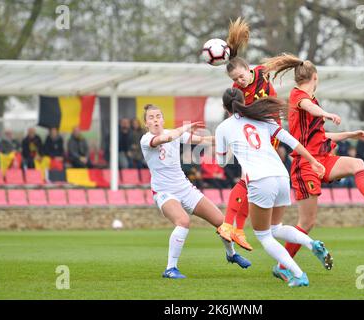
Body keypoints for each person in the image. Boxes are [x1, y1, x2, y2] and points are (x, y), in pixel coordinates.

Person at [262, 53, 364, 280]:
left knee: (358, 163)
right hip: (305, 163)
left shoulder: (311, 102)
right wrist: (326, 113)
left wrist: (351, 134)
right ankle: (283, 265)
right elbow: (308, 106)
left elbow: (321, 135)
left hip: (322, 159)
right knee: (307, 222)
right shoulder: (299, 96)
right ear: (315, 77)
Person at [216, 88, 332, 287]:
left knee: (264, 236)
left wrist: (228, 148)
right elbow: (291, 141)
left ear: (224, 107)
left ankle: (298, 274)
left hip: (261, 181)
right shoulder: (262, 119)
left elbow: (220, 162)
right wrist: (312, 160)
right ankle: (310, 243)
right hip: (280, 176)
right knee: (276, 228)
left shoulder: (223, 128)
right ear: (244, 101)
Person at [140, 104, 250, 279]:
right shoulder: (146, 140)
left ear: (162, 119)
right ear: (146, 123)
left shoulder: (174, 133)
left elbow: (204, 140)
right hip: (164, 192)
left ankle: (231, 254)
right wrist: (183, 128)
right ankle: (170, 269)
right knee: (183, 221)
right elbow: (166, 139)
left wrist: (230, 138)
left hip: (184, 188)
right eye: (151, 117)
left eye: (158, 116)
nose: (155, 120)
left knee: (222, 222)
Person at [217, 17, 279, 252]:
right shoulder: (236, 91)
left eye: (240, 77)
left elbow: (279, 65)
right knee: (247, 180)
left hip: (270, 133)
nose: (238, 81)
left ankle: (238, 229)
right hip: (254, 138)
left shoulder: (262, 73)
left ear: (248, 68)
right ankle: (230, 226)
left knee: (251, 183)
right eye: (234, 80)